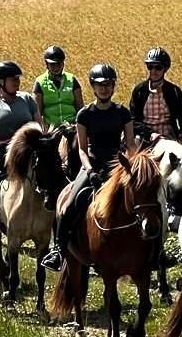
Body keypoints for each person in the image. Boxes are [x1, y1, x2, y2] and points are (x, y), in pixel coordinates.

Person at [41, 63, 133, 273]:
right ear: (93, 87)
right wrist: (90, 171)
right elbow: (82, 149)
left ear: (113, 86)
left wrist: (132, 167)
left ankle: (155, 252)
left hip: (117, 167)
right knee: (69, 205)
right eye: (100, 85)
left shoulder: (123, 113)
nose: (104, 89)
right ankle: (59, 250)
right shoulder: (84, 114)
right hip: (92, 166)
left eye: (108, 84)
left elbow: (131, 145)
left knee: (144, 200)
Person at [0, 60, 41, 254]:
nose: (17, 82)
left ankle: (55, 238)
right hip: (0, 151)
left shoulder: (27, 99)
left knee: (53, 179)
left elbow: (39, 124)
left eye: (17, 78)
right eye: (13, 79)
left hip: (27, 152)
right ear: (1, 82)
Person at [130, 47, 182, 145]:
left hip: (168, 137)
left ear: (165, 69)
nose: (153, 71)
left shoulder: (174, 91)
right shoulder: (139, 91)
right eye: (150, 67)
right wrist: (150, 134)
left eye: (158, 67)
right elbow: (133, 119)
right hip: (143, 138)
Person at [33, 45, 84, 132]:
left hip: (72, 128)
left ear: (63, 64)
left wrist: (77, 126)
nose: (56, 68)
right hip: (51, 131)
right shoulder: (40, 83)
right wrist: (44, 130)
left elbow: (80, 107)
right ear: (47, 65)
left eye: (58, 64)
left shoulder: (72, 80)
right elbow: (37, 112)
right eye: (52, 65)